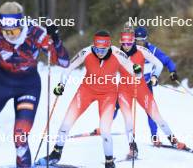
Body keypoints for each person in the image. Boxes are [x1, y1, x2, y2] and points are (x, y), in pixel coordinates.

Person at [0, 1, 69, 168]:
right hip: (0, 83)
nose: (11, 35)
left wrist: (56, 40)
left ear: (21, 24)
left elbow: (64, 62)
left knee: (20, 137)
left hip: (28, 86)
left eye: (14, 30)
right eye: (6, 31)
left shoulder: (36, 33)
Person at [36, 30, 142, 168]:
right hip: (86, 90)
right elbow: (68, 68)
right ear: (93, 45)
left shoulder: (117, 54)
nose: (100, 53)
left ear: (109, 46)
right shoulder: (86, 52)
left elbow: (135, 73)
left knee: (105, 130)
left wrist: (137, 71)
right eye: (97, 49)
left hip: (108, 95)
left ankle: (109, 162)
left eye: (103, 50)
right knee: (66, 123)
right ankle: (56, 154)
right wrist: (61, 85)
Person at [117, 31, 185, 159]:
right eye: (124, 43)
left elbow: (161, 63)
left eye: (130, 43)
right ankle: (132, 147)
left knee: (156, 116)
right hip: (124, 90)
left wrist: (155, 77)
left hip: (143, 87)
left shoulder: (143, 50)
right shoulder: (116, 53)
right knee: (127, 118)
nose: (127, 45)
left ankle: (172, 140)